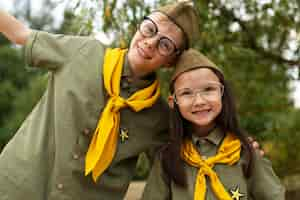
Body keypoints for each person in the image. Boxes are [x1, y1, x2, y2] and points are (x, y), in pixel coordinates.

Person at [0, 1, 200, 200]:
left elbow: (171, 176)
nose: (150, 42)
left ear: (171, 61)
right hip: (17, 187)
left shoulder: (158, 118)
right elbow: (21, 35)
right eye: (150, 29)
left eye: (165, 44)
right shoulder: (84, 52)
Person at [141, 49, 285, 200]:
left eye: (208, 89)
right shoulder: (167, 158)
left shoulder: (244, 151)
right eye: (186, 93)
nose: (199, 101)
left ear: (222, 93)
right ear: (173, 102)